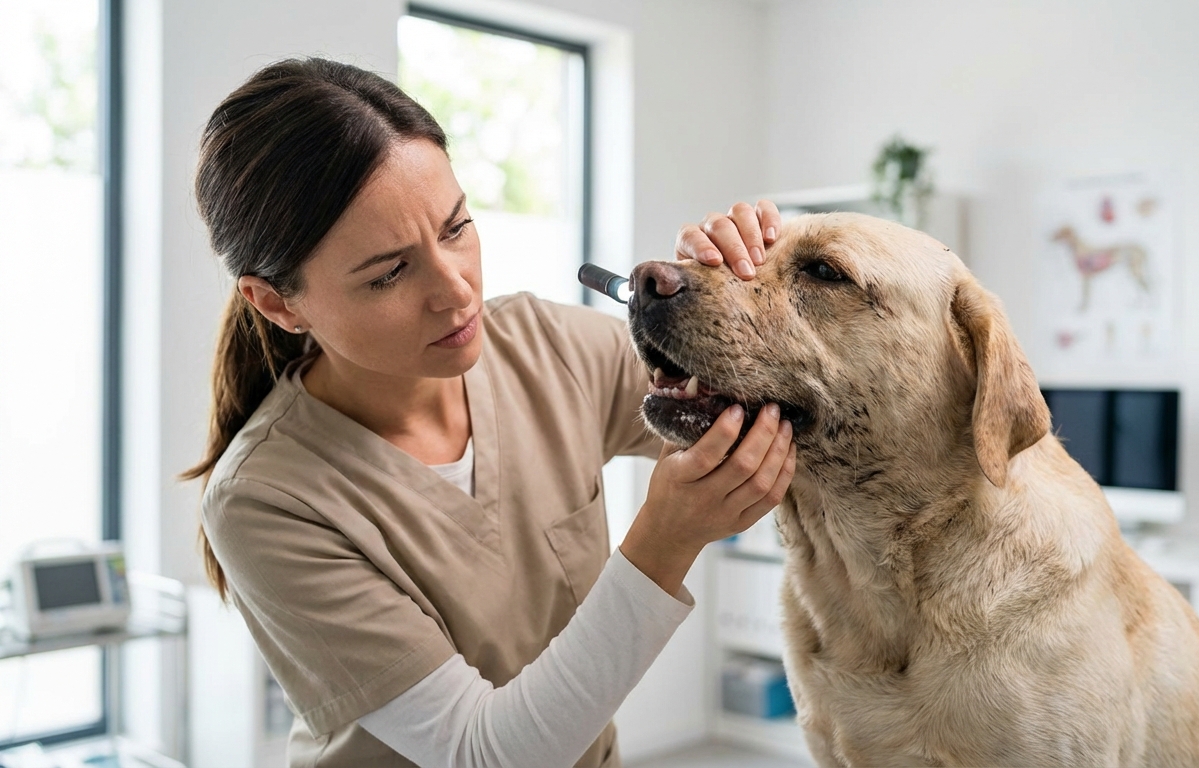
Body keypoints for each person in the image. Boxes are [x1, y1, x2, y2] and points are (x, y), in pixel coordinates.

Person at [183, 58, 794, 768]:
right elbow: (483, 754)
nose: (456, 291)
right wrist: (667, 539)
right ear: (278, 303)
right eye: (389, 273)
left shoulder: (547, 346)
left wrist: (739, 287)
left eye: (456, 228)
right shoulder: (265, 500)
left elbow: (772, 415)